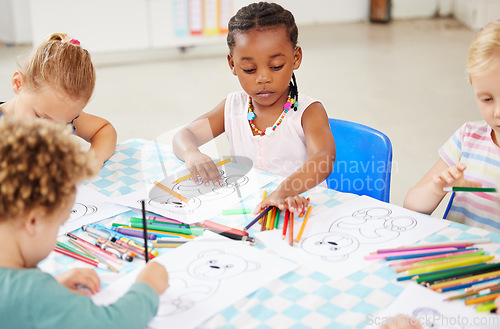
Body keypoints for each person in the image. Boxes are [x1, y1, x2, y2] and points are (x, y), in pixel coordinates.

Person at [0, 116, 168, 328]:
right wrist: (147, 288)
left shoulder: (26, 291)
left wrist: (52, 289)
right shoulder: (33, 292)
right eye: (59, 224)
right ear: (33, 221)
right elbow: (112, 323)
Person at [172, 2, 335, 214]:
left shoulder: (308, 111)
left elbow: (323, 159)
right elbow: (184, 135)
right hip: (251, 211)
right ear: (232, 65)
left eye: (276, 66)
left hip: (301, 210)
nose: (263, 78)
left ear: (295, 58)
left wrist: (285, 191)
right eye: (249, 69)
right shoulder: (232, 107)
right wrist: (192, 153)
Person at [404, 19, 500, 233]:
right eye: (486, 99)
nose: (497, 112)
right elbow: (411, 205)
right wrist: (437, 188)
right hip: (459, 258)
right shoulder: (467, 138)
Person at [0, 32, 117, 170]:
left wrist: (94, 158)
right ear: (19, 83)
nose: (48, 133)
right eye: (40, 117)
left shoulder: (58, 115)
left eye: (61, 126)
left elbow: (104, 130)